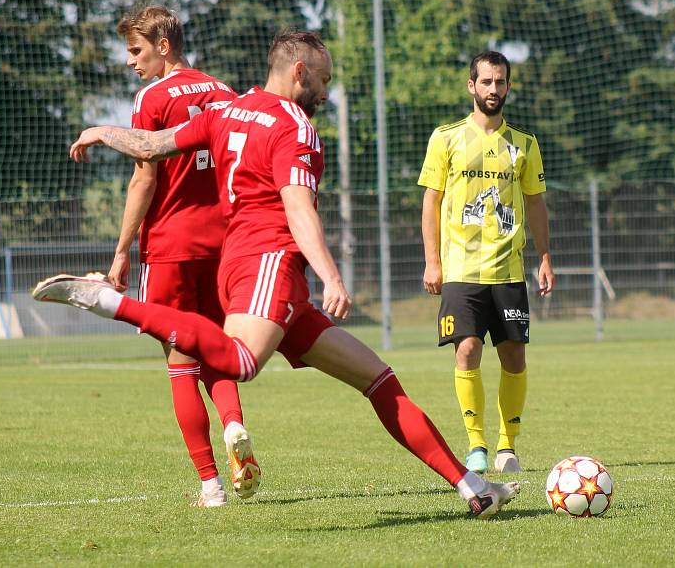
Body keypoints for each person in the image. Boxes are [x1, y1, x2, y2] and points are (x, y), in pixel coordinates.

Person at [35, 29, 520, 519]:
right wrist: (331, 276)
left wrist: (103, 131)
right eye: (325, 80)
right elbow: (297, 209)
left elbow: (150, 144)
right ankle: (109, 302)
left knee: (379, 380)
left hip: (244, 266)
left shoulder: (226, 110)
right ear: (299, 72)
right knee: (242, 363)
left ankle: (471, 486)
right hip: (271, 262)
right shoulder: (295, 127)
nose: (328, 93)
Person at [110, 5, 259, 507]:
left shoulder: (150, 98)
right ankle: (234, 424)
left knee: (180, 363)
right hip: (224, 244)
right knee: (219, 347)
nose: (131, 61)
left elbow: (144, 177)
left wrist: (122, 249)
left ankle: (211, 486)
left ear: (163, 46)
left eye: (136, 50)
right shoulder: (224, 93)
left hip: (170, 246)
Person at [418, 50, 554, 475]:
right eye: (486, 82)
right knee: (468, 350)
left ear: (508, 87)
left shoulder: (525, 144)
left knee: (514, 357)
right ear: (471, 86)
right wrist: (432, 261)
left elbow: (536, 203)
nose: (493, 89)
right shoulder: (446, 138)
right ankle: (476, 444)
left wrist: (546, 258)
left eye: (500, 82)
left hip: (509, 271)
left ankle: (507, 445)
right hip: (460, 270)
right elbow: (431, 201)